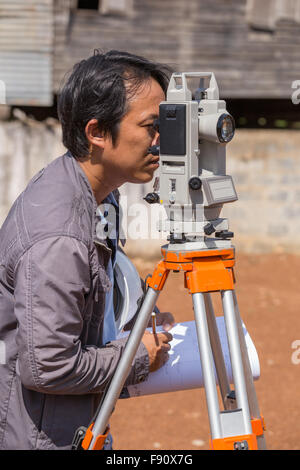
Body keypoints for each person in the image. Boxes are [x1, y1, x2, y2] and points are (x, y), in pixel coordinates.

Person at [0, 50, 175, 450]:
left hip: (72, 425)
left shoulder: (98, 196)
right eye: (151, 126)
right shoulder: (59, 236)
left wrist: (129, 326)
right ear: (97, 132)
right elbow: (49, 367)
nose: (161, 139)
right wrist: (138, 356)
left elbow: (81, 307)